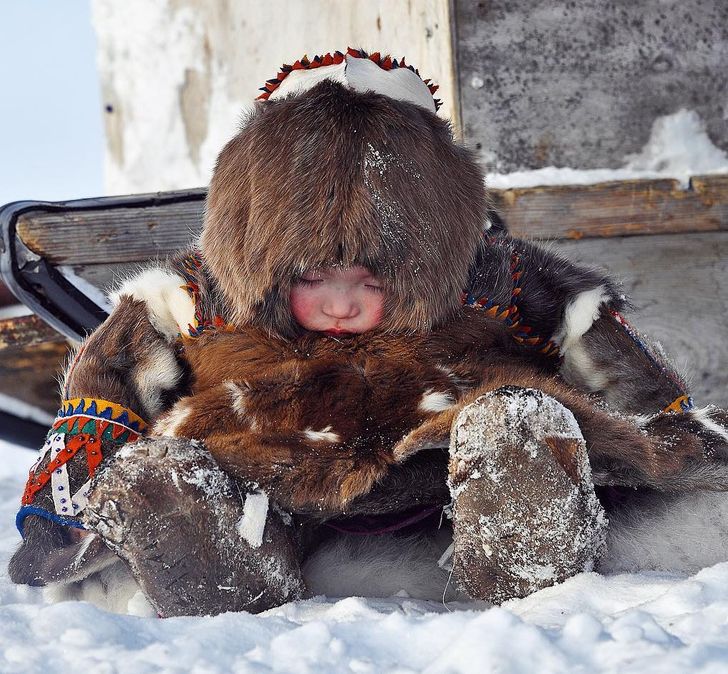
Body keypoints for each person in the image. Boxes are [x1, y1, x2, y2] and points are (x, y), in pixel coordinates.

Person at [9, 48, 728, 617]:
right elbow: (104, 388)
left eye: (372, 282)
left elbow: (603, 351)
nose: (343, 305)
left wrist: (668, 431)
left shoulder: (495, 279)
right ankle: (216, 565)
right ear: (262, 256)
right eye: (314, 278)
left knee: (520, 420)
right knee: (168, 476)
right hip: (276, 488)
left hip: (447, 476)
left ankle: (531, 560)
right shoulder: (198, 296)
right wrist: (57, 506)